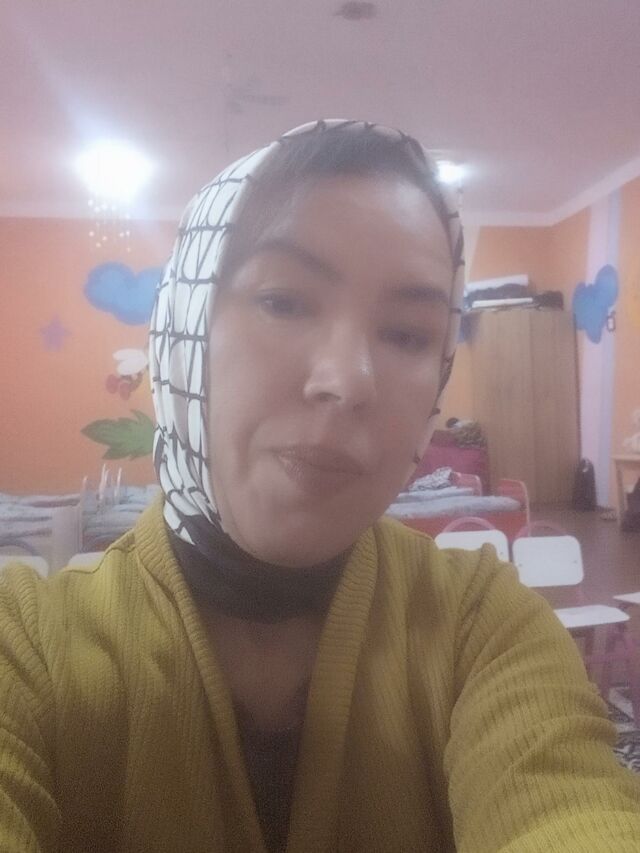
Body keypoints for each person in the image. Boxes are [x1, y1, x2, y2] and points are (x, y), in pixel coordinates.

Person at [1, 120, 638, 852]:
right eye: (284, 301)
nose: (348, 380)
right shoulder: (28, 647)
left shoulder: (481, 626)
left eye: (407, 334)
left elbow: (564, 803)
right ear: (185, 329)